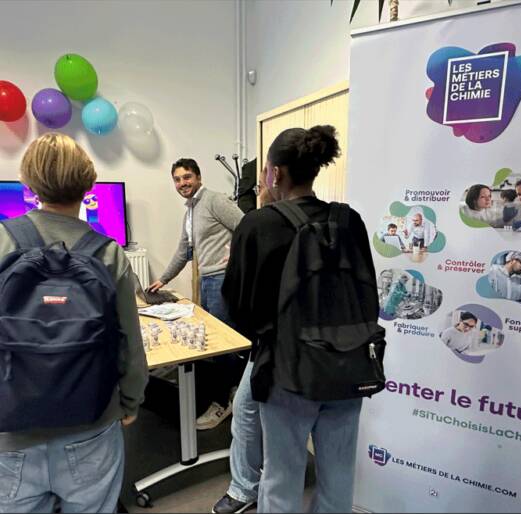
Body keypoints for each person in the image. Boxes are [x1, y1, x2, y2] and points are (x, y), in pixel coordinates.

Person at [222, 125, 374, 513]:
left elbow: (237, 307)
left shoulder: (257, 225)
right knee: (339, 475)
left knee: (281, 476)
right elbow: (368, 295)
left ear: (275, 173)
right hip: (348, 365)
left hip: (286, 371)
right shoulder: (349, 220)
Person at [0, 133, 148, 513]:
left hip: (10, 434)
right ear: (88, 186)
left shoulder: (1, 241)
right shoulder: (110, 252)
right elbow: (130, 344)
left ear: (29, 185)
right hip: (91, 424)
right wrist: (130, 401)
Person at [148, 158, 245, 430]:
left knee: (224, 345)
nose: (182, 183)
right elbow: (184, 250)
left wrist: (234, 253)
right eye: (177, 179)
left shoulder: (215, 200)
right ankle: (232, 394)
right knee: (215, 344)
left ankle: (224, 404)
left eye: (187, 177)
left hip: (223, 280)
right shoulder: (190, 211)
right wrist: (163, 279)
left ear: (198, 177)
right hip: (207, 281)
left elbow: (247, 226)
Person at [211, 167, 275, 514]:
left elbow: (239, 298)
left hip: (273, 345)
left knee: (250, 412)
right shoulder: (336, 219)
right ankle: (251, 481)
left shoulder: (259, 224)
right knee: (254, 412)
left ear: (275, 177)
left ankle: (245, 487)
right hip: (278, 344)